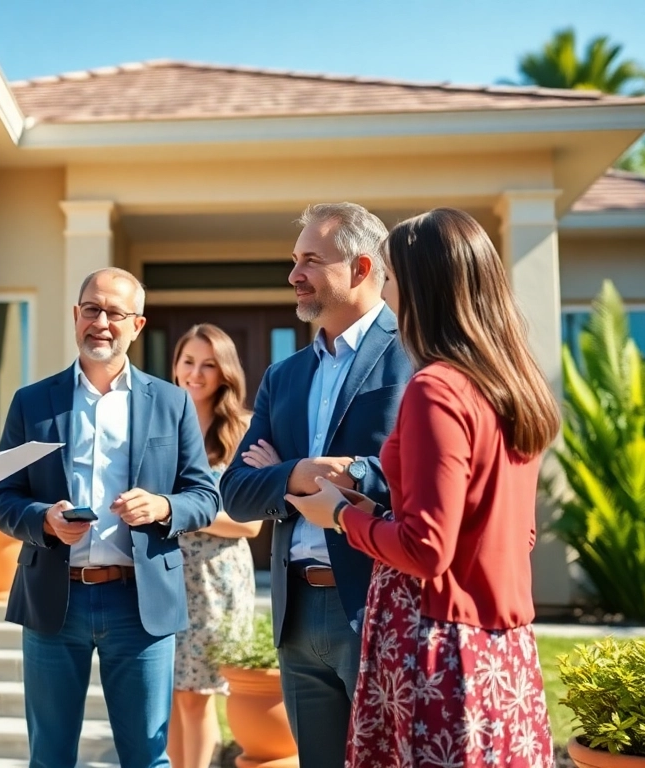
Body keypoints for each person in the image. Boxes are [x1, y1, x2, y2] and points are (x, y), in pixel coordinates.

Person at [286, 208, 559, 768]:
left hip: (436, 651)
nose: (385, 293)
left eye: (391, 279)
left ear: (421, 287)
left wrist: (340, 515)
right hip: (503, 647)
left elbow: (426, 550)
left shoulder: (435, 388)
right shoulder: (514, 387)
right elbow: (514, 533)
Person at [0, 267, 220, 768]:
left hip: (139, 604)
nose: (102, 322)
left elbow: (204, 496)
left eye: (115, 312)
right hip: (55, 600)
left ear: (137, 324)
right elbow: (1, 499)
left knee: (147, 758)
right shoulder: (33, 402)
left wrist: (162, 507)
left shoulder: (172, 402)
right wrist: (43, 519)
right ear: (75, 316)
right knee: (49, 757)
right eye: (91, 309)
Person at [219, 202, 413, 768]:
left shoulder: (414, 355)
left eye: (309, 260)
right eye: (293, 260)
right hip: (296, 611)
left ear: (359, 267)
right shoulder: (284, 375)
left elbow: (424, 474)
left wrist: (352, 470)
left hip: (375, 604)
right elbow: (236, 489)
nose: (293, 275)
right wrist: (297, 473)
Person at [166, 324, 261, 768]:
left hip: (214, 582)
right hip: (163, 575)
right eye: (188, 362)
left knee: (195, 698)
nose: (196, 374)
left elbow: (253, 524)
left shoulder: (241, 430)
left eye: (208, 365)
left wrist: (177, 511)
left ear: (225, 373)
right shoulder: (160, 421)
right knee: (168, 698)